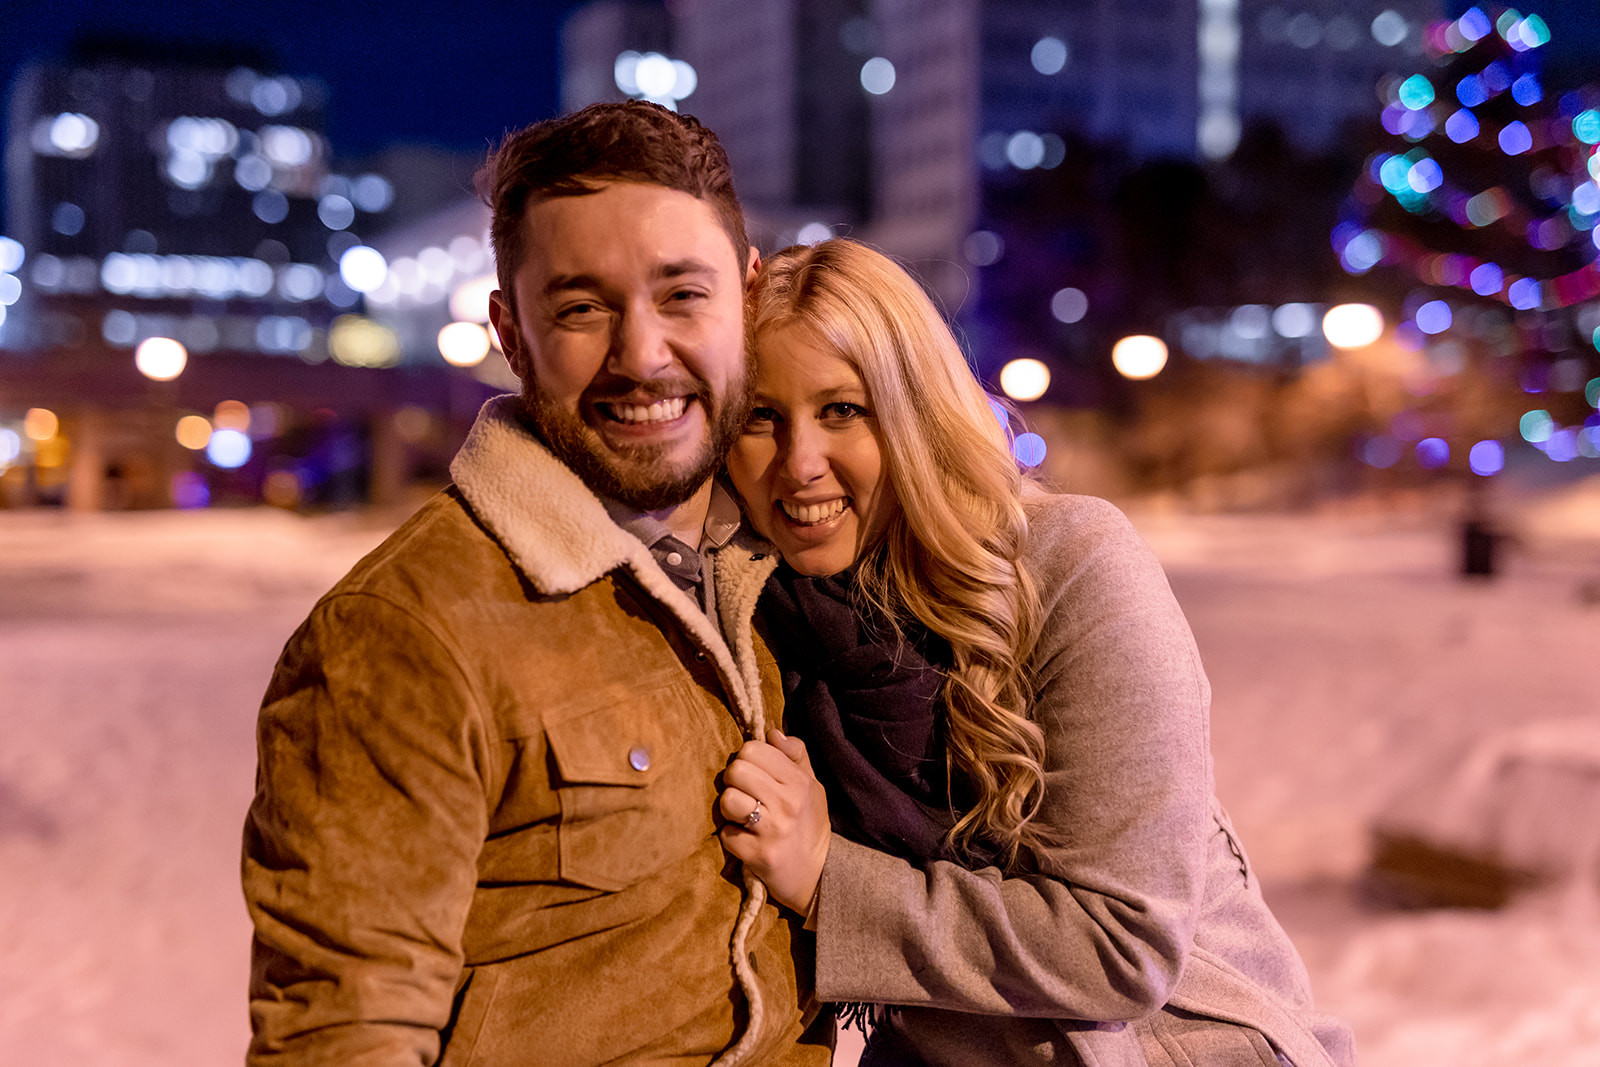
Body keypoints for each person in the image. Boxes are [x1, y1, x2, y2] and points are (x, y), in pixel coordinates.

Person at [240, 102, 832, 1066]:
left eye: (682, 295)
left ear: (749, 298)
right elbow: (345, 1034)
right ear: (511, 334)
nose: (642, 356)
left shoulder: (788, 571)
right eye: (582, 308)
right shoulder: (403, 632)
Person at [717, 238, 1355, 1066]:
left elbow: (1122, 944)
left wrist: (828, 877)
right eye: (762, 417)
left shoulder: (1073, 563)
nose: (801, 464)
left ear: (913, 414)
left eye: (843, 410)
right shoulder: (756, 610)